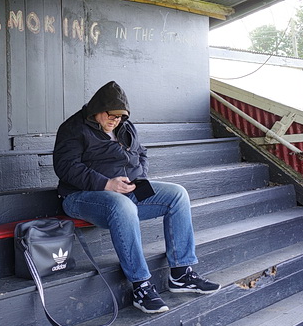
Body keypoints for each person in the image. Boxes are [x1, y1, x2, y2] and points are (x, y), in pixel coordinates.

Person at [53, 81, 219, 314]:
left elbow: (142, 154)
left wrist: (138, 180)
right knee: (122, 206)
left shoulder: (125, 127)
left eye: (121, 117)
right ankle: (141, 286)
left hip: (126, 190)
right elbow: (66, 167)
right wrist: (107, 184)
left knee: (177, 194)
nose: (115, 121)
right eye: (111, 115)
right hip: (82, 197)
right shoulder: (73, 128)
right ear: (97, 109)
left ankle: (181, 274)